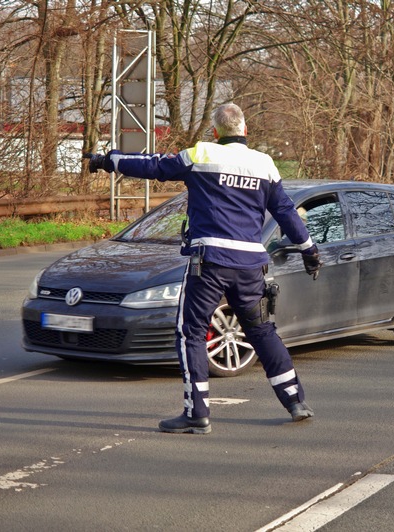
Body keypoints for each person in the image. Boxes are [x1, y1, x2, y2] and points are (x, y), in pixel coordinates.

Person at [85, 103, 321, 434]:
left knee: (192, 330)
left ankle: (197, 412)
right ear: (245, 131)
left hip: (209, 263)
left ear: (216, 132)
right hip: (251, 264)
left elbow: (153, 166)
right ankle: (295, 399)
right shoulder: (264, 164)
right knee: (261, 330)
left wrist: (107, 160)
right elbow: (285, 210)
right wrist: (309, 249)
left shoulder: (201, 155)